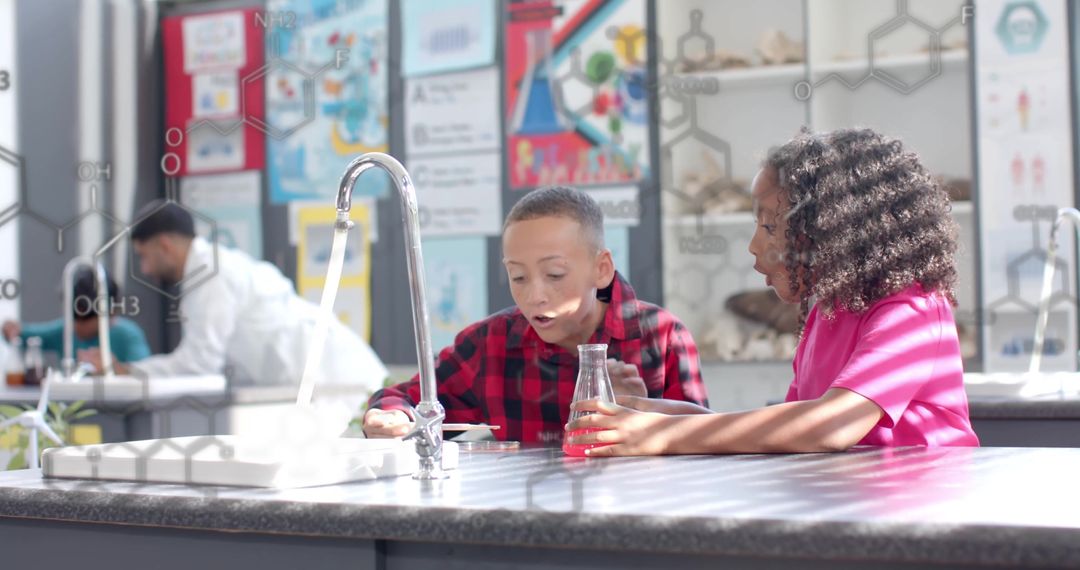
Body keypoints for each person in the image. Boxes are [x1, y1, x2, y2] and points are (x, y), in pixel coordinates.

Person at [565, 128, 980, 455]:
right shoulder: (827, 313)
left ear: (833, 230)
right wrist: (648, 411)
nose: (753, 245)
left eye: (768, 226)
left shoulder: (914, 310)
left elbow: (830, 425)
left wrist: (664, 435)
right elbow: (787, 428)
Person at [364, 186, 709, 443]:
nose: (535, 296)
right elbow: (409, 398)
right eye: (518, 277)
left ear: (601, 269)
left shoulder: (660, 337)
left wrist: (641, 411)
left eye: (555, 275)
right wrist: (394, 415)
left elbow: (704, 444)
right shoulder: (492, 344)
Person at [81, 200, 388, 397]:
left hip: (339, 383)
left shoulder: (211, 275)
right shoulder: (211, 268)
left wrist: (128, 370)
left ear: (165, 245)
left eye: (144, 257)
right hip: (326, 381)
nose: (145, 270)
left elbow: (200, 363)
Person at [2, 267, 151, 365]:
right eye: (74, 319)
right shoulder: (65, 331)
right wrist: (10, 328)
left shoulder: (128, 335)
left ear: (111, 312)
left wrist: (114, 368)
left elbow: (144, 373)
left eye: (86, 321)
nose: (78, 327)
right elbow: (24, 334)